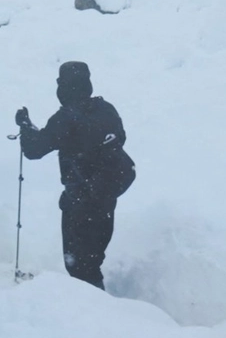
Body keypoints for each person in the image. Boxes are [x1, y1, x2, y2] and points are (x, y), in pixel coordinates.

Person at [16, 61, 136, 289]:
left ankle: (94, 313)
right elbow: (120, 138)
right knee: (93, 259)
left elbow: (34, 149)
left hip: (81, 200)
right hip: (107, 194)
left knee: (79, 265)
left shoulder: (65, 118)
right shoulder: (106, 109)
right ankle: (101, 306)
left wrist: (24, 126)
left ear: (63, 87)